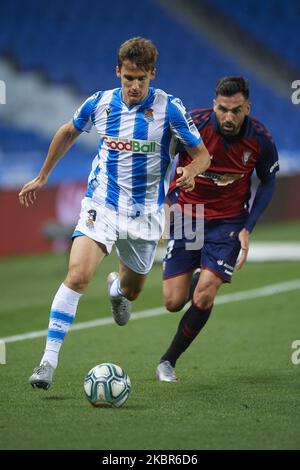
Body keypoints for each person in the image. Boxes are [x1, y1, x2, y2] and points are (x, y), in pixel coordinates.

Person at [19, 37, 210, 390]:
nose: (135, 86)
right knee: (76, 276)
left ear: (152, 74)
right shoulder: (101, 103)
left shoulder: (170, 110)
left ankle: (117, 291)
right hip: (102, 205)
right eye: (128, 78)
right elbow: (67, 131)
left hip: (145, 216)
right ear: (118, 72)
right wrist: (43, 175)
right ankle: (47, 362)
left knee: (134, 290)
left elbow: (202, 154)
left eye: (142, 79)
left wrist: (192, 172)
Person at [156, 76, 279, 382]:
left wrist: (248, 227)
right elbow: (164, 157)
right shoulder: (193, 125)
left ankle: (167, 362)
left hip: (228, 222)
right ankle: (201, 275)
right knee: (172, 302)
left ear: (247, 107)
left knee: (204, 296)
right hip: (188, 213)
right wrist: (165, 201)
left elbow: (268, 181)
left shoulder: (260, 139)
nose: (228, 117)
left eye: (236, 110)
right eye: (223, 109)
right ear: (214, 104)